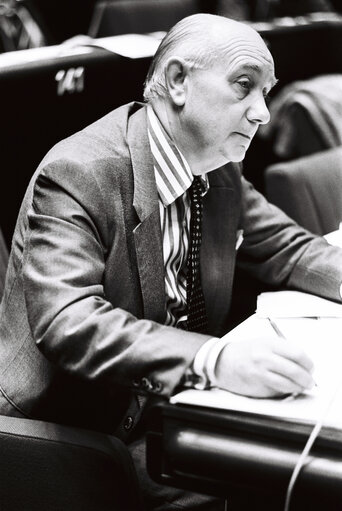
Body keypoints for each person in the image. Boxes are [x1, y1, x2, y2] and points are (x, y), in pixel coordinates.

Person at [1, 13, 342, 511]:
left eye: (267, 93)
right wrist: (214, 360)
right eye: (244, 87)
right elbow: (69, 323)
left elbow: (290, 250)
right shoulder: (78, 171)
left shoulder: (219, 167)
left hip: (170, 406)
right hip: (73, 434)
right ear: (179, 81)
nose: (264, 113)